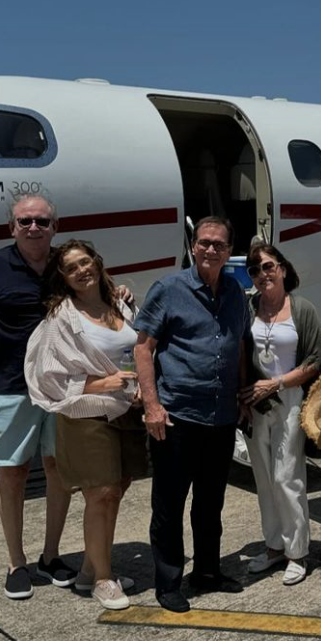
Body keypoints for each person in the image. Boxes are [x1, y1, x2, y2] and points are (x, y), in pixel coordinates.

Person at [0, 193, 76, 599]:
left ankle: (51, 555)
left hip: (63, 388)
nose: (33, 228)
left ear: (54, 227)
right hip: (11, 387)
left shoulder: (68, 265)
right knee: (13, 472)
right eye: (25, 221)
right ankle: (16, 562)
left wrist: (124, 293)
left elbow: (99, 297)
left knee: (59, 468)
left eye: (42, 221)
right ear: (11, 227)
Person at [134, 216, 250, 613]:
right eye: (204, 242)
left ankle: (207, 572)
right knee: (169, 503)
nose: (210, 249)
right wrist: (151, 405)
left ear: (228, 249)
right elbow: (143, 348)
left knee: (209, 503)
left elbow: (238, 347)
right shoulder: (168, 289)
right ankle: (168, 582)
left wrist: (241, 396)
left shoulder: (236, 293)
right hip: (177, 416)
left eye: (219, 244)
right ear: (194, 246)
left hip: (219, 417)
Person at [24, 240, 147, 610]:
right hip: (87, 414)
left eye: (85, 261)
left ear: (97, 262)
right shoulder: (62, 318)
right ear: (63, 278)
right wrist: (96, 384)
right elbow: (45, 375)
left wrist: (140, 385)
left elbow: (138, 347)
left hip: (125, 410)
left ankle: (90, 571)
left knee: (118, 487)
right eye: (71, 267)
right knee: (100, 492)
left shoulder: (119, 303)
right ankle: (104, 580)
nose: (81, 270)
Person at [238, 243, 321, 586]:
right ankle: (274, 546)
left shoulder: (302, 308)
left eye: (268, 266)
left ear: (283, 268)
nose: (262, 274)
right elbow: (240, 351)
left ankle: (297, 551)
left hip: (289, 400)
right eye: (255, 270)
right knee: (263, 478)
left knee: (287, 476)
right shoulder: (249, 308)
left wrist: (275, 384)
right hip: (257, 404)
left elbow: (314, 360)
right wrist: (244, 394)